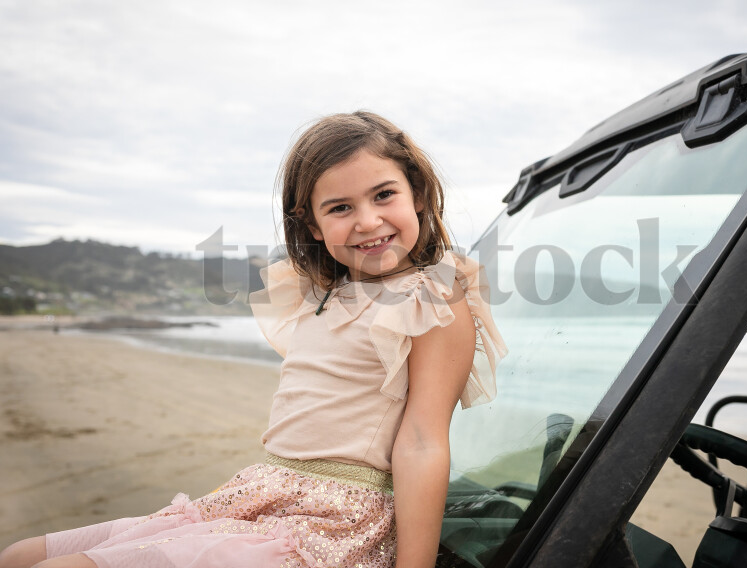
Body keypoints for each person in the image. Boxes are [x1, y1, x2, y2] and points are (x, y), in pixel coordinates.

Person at [0, 111, 506, 568]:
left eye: (383, 195)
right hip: (260, 492)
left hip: (335, 520)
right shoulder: (320, 292)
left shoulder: (433, 296)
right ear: (312, 223)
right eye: (339, 207)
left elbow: (422, 441)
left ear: (417, 193)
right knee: (21, 556)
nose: (368, 221)